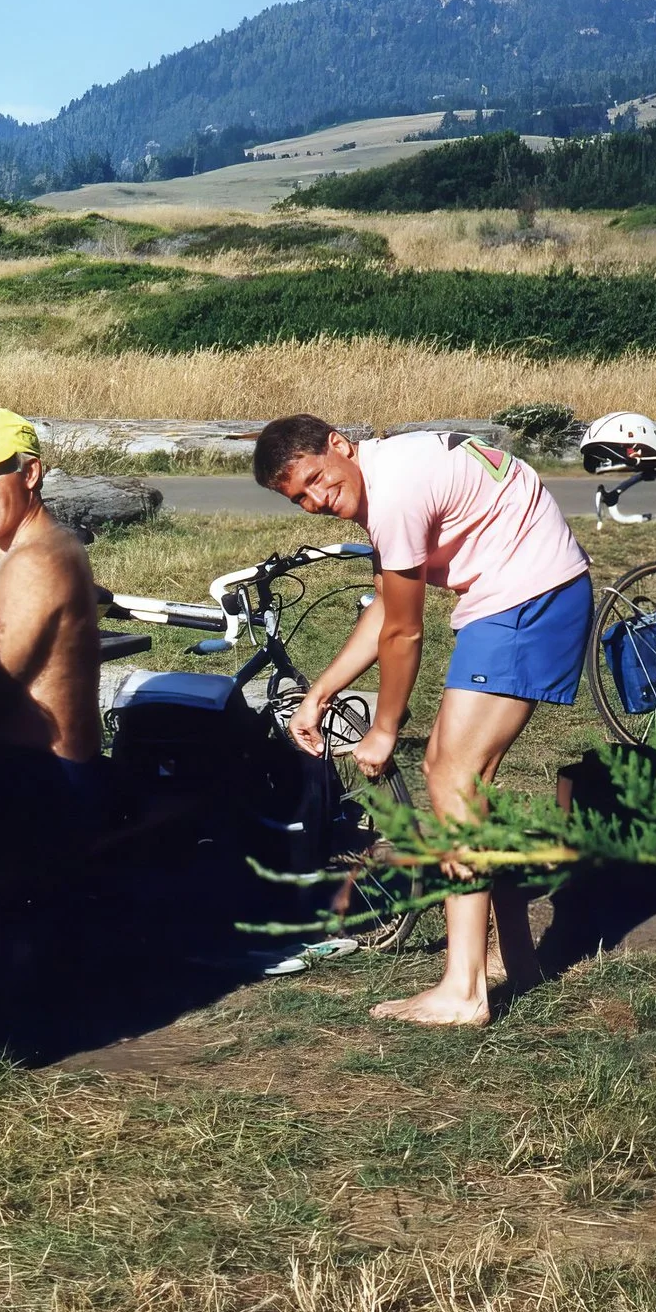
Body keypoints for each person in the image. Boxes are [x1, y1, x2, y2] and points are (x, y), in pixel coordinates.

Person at [253, 413, 593, 1027]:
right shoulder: (390, 471)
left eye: (316, 481)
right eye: (299, 498)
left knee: (452, 777)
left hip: (526, 596)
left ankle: (463, 992)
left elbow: (406, 633)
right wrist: (321, 694)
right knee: (461, 780)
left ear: (338, 445)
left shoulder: (396, 492)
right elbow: (387, 604)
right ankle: (510, 956)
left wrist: (384, 729)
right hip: (526, 591)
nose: (314, 504)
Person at [0, 409, 108, 830]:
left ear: (30, 473)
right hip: (23, 770)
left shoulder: (39, 561)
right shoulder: (27, 551)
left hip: (45, 784)